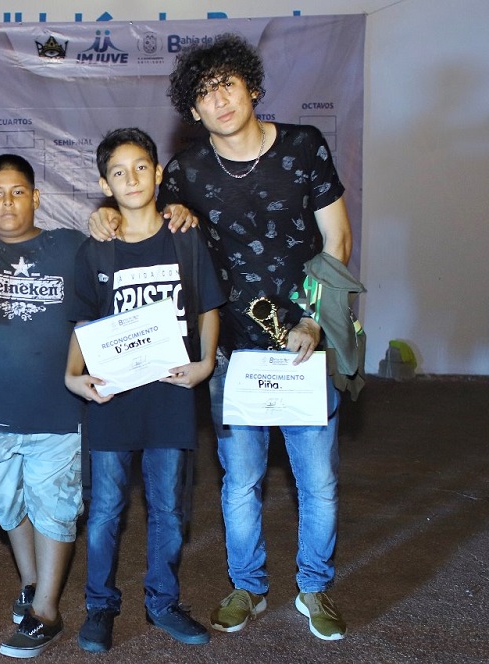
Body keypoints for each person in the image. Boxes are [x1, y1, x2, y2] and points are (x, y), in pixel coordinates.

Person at [90, 34, 354, 641]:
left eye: (228, 85)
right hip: (234, 354)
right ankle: (247, 586)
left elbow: (337, 240)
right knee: (239, 484)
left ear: (251, 87)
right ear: (193, 110)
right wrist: (102, 213)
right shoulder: (184, 171)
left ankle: (315, 586)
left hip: (305, 345)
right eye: (205, 94)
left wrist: (314, 318)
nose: (220, 100)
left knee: (317, 482)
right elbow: (143, 218)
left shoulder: (304, 146)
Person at [67, 128, 225, 653]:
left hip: (170, 396)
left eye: (141, 167)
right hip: (112, 400)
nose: (131, 178)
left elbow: (207, 307)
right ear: (104, 185)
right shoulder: (95, 250)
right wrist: (72, 375)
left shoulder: (185, 237)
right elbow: (83, 323)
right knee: (104, 510)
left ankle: (162, 602)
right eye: (118, 171)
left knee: (168, 509)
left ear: (158, 173)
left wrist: (205, 364)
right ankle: (99, 606)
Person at [0, 155, 85, 658]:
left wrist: (114, 218)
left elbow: (121, 257)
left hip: (56, 412)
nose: (8, 202)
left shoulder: (71, 247)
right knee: (5, 503)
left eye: (18, 191)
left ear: (36, 197)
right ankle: (31, 584)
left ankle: (47, 611)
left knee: (54, 509)